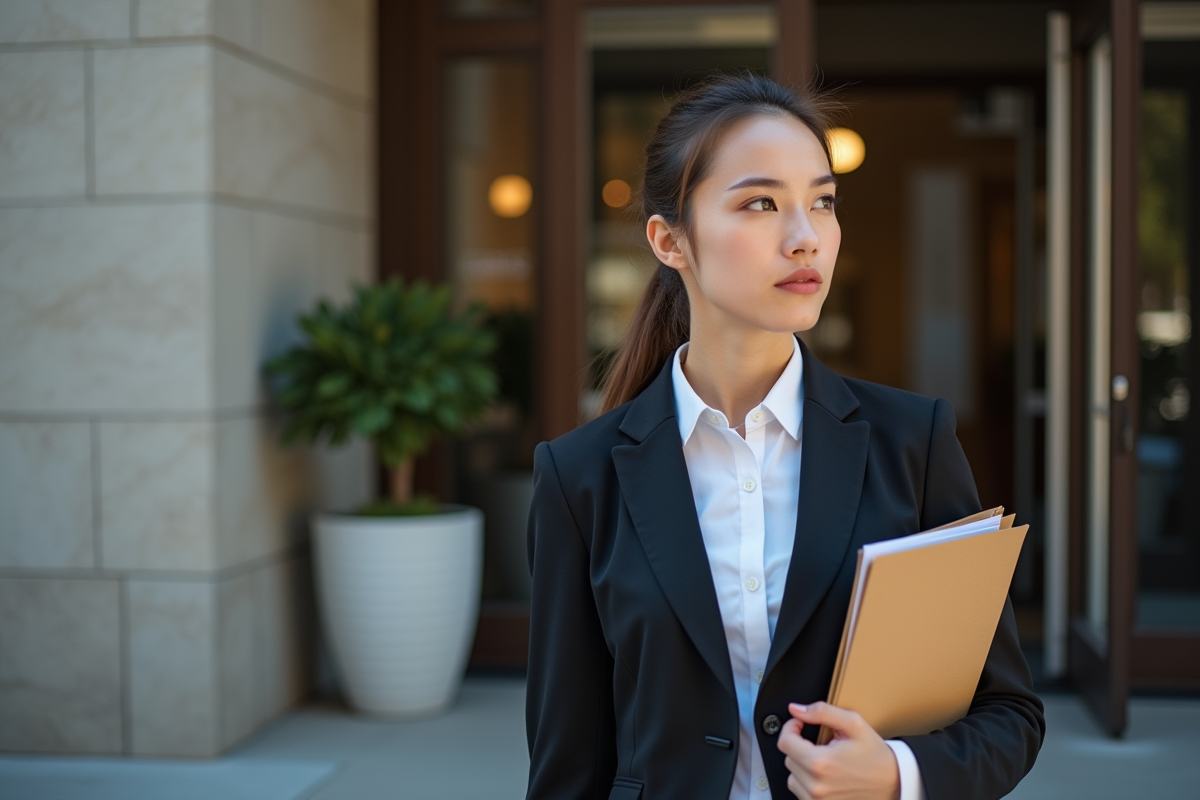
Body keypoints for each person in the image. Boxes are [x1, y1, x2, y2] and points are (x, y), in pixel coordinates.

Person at [524, 73, 1044, 800]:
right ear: (670, 240)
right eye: (761, 203)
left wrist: (897, 773)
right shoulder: (580, 477)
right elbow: (566, 763)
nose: (806, 238)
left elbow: (1009, 714)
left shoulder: (912, 443)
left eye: (823, 202)